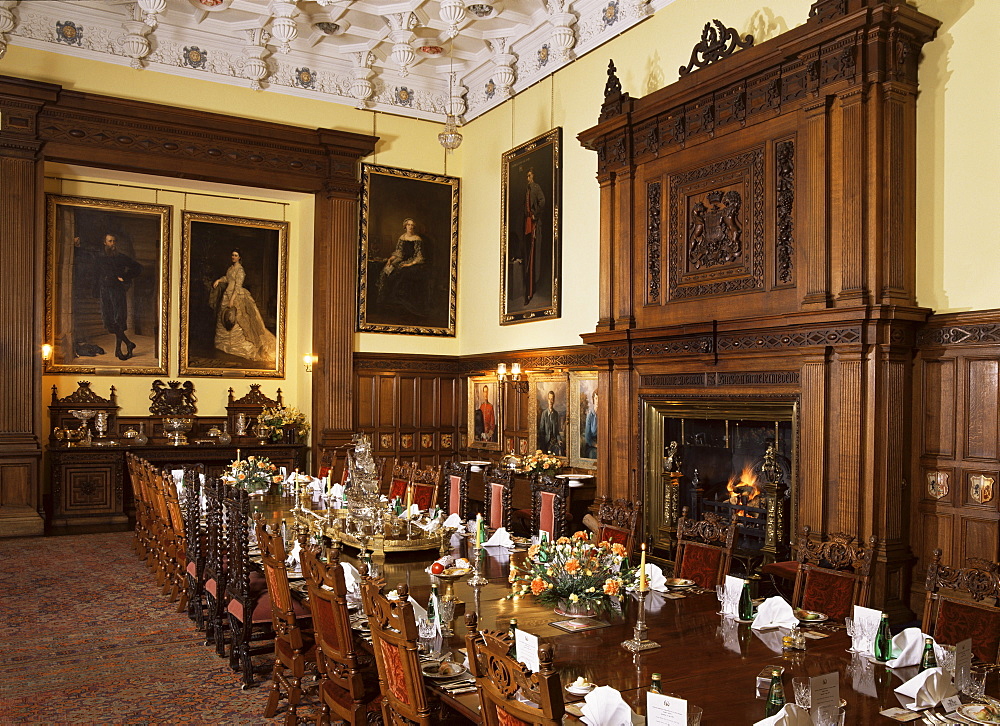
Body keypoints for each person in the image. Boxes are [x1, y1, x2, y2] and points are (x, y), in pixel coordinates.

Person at [211, 248, 276, 362]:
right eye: (232, 255)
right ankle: (223, 343)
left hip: (236, 296)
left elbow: (237, 286)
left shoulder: (240, 270)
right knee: (224, 319)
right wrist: (219, 280)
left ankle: (237, 344)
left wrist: (232, 300)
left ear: (240, 257)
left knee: (238, 319)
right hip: (227, 294)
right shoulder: (231, 268)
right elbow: (228, 278)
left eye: (236, 255)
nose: (233, 257)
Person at [91, 233, 142, 361]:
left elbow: (137, 267)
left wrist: (124, 277)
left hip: (117, 291)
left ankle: (119, 349)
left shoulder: (121, 257)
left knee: (118, 319)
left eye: (114, 241)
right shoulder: (99, 258)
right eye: (110, 241)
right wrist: (96, 290)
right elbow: (95, 274)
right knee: (108, 320)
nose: (112, 243)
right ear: (105, 243)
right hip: (104, 291)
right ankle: (129, 344)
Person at [377, 217, 426, 315]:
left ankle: (400, 300)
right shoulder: (402, 237)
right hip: (401, 260)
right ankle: (386, 300)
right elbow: (398, 253)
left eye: (412, 225)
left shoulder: (417, 239)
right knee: (387, 270)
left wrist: (409, 264)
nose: (410, 227)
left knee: (403, 272)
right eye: (408, 225)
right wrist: (390, 260)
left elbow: (419, 255)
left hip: (413, 261)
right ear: (405, 226)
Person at [521, 168, 545, 305]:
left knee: (533, 255)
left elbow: (542, 201)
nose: (528, 178)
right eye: (527, 176)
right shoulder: (527, 189)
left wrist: (535, 214)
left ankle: (531, 290)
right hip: (527, 225)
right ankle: (528, 290)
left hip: (534, 224)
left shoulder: (536, 188)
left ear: (533, 176)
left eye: (529, 176)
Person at [537, 389, 563, 456]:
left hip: (554, 442)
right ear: (547, 400)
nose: (551, 401)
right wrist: (542, 443)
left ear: (554, 400)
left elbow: (557, 431)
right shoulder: (544, 413)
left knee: (559, 452)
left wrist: (559, 440)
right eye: (549, 399)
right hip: (545, 442)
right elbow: (541, 430)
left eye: (552, 399)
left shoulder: (556, 414)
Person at [583, 389, 598, 459]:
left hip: (603, 443)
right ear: (593, 399)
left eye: (600, 398)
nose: (598, 400)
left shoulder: (604, 414)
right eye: (596, 398)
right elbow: (587, 437)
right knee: (594, 454)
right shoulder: (590, 415)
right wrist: (596, 445)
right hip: (592, 445)